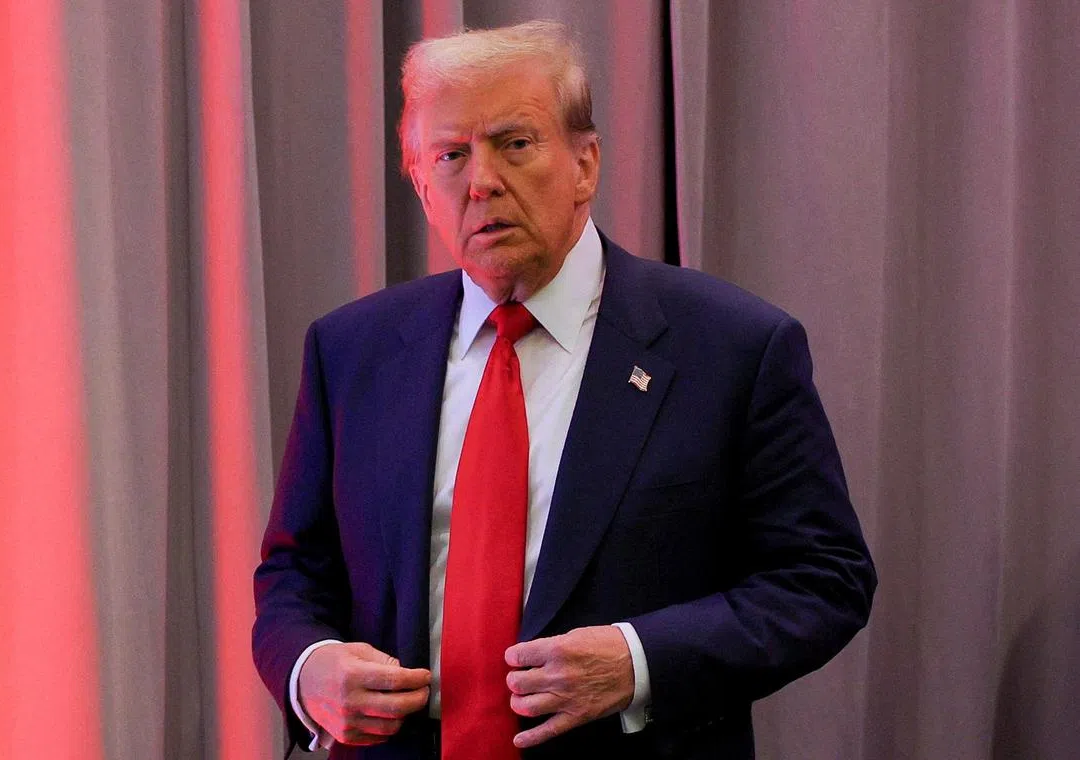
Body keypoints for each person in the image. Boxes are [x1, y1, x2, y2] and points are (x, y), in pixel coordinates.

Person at [253, 20, 875, 760]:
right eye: (450, 155)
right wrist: (306, 669)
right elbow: (295, 570)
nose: (480, 180)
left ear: (586, 164)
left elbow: (822, 580)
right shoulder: (351, 350)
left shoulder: (733, 347)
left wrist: (639, 661)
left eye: (514, 143)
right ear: (422, 187)